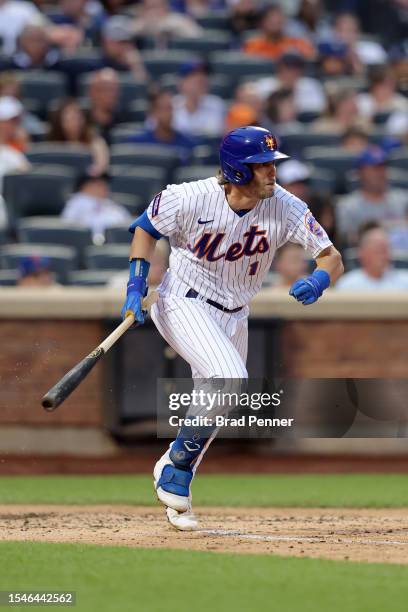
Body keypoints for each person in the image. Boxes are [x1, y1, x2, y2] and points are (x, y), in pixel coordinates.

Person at [121, 125, 343, 530]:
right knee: (228, 378)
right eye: (262, 166)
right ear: (238, 170)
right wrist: (137, 283)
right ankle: (178, 466)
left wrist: (319, 279)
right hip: (183, 301)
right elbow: (146, 227)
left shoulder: (286, 206)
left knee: (217, 396)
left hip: (236, 313)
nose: (272, 173)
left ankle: (176, 482)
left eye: (272, 164)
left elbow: (332, 257)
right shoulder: (189, 196)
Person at [336, 146, 408, 247]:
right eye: (375, 168)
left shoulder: (403, 200)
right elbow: (346, 241)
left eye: (383, 167)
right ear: (361, 172)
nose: (380, 173)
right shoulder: (347, 206)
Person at [126, 88, 198, 163]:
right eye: (164, 109)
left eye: (170, 108)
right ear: (153, 113)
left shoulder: (189, 144)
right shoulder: (137, 144)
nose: (169, 114)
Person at [61, 172, 131, 243]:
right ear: (84, 186)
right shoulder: (77, 202)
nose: (104, 186)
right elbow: (67, 227)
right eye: (98, 184)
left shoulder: (111, 205)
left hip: (110, 244)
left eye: (104, 183)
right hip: (84, 244)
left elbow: (126, 225)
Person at [48, 99, 110, 175]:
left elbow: (102, 165)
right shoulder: (51, 145)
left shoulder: (95, 141)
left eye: (78, 117)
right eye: (70, 118)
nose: (75, 122)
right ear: (60, 121)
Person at [335, 226, 408, 291]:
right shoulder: (347, 285)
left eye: (386, 250)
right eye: (379, 250)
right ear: (362, 253)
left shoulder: (404, 282)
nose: (384, 256)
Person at [243, 4, 316, 62]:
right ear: (262, 23)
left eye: (279, 18)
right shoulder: (253, 45)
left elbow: (312, 57)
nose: (276, 21)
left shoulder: (296, 43)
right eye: (271, 18)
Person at [173, 61, 226, 137]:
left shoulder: (217, 105)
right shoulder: (169, 106)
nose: (202, 79)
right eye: (194, 75)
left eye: (204, 75)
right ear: (182, 82)